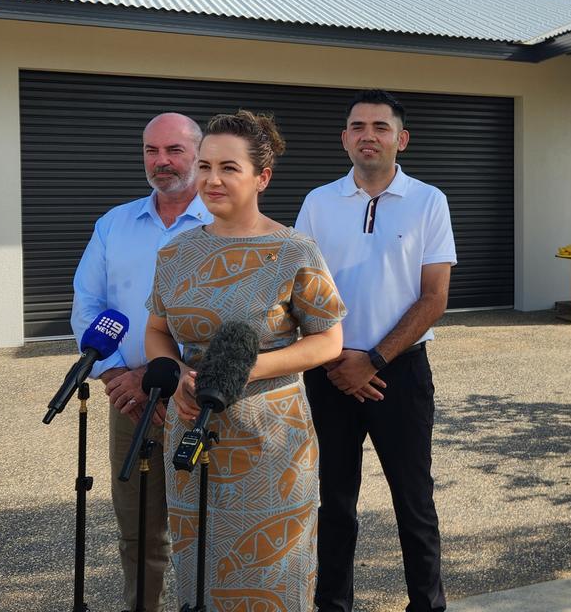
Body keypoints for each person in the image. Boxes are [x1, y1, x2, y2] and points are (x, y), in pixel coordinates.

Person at [144, 110, 346, 611]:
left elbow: (328, 342)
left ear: (262, 177)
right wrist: (176, 380)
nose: (212, 179)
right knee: (199, 572)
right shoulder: (176, 253)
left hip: (271, 444)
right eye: (206, 166)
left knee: (273, 576)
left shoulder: (294, 250)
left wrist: (247, 369)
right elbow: (156, 331)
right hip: (191, 435)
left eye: (229, 168)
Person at [296, 89, 456, 612]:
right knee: (334, 501)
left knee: (414, 502)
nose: (369, 135)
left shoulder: (429, 200)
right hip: (330, 370)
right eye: (358, 126)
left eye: (380, 127)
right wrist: (339, 360)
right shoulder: (318, 203)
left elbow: (434, 299)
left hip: (400, 373)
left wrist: (375, 360)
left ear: (400, 139)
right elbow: (298, 289)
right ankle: (333, 605)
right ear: (344, 139)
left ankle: (427, 606)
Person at [71, 112, 211, 612]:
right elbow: (88, 301)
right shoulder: (114, 224)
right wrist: (114, 376)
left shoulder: (224, 226)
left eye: (174, 150)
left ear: (199, 154)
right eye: (152, 151)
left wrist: (171, 382)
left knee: (205, 528)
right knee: (138, 533)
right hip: (128, 401)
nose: (162, 161)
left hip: (200, 403)